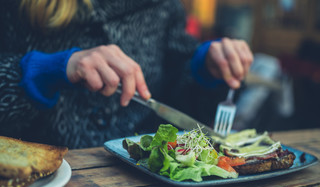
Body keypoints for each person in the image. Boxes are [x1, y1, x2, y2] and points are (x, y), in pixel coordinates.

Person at [0, 0, 253, 149]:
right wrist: (40, 72)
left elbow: (179, 87)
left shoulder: (164, 6)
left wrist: (204, 68)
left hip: (147, 180)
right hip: (43, 179)